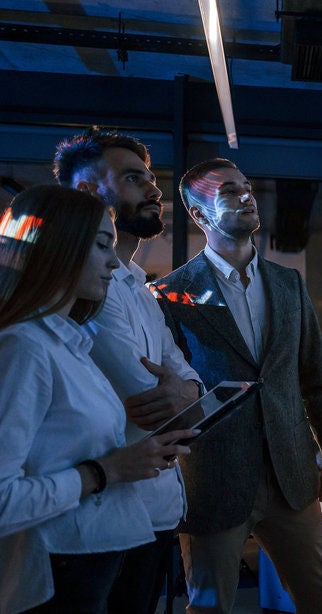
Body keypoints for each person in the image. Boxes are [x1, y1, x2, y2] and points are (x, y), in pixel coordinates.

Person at [150, 159, 322, 613]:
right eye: (228, 192)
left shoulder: (288, 284)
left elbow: (315, 379)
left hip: (292, 477)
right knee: (209, 606)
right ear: (200, 215)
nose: (246, 196)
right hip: (213, 478)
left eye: (246, 187)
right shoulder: (172, 293)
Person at [0, 185, 196, 613]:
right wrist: (102, 472)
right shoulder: (24, 347)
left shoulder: (66, 343)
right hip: (57, 573)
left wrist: (132, 460)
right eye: (102, 245)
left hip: (94, 560)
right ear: (59, 247)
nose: (114, 261)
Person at [52, 126, 203, 613]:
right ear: (87, 192)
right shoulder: (81, 295)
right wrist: (184, 395)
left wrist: (184, 392)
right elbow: (151, 397)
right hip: (98, 520)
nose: (155, 189)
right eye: (134, 178)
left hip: (156, 510)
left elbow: (188, 383)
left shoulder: (139, 286)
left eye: (151, 179)